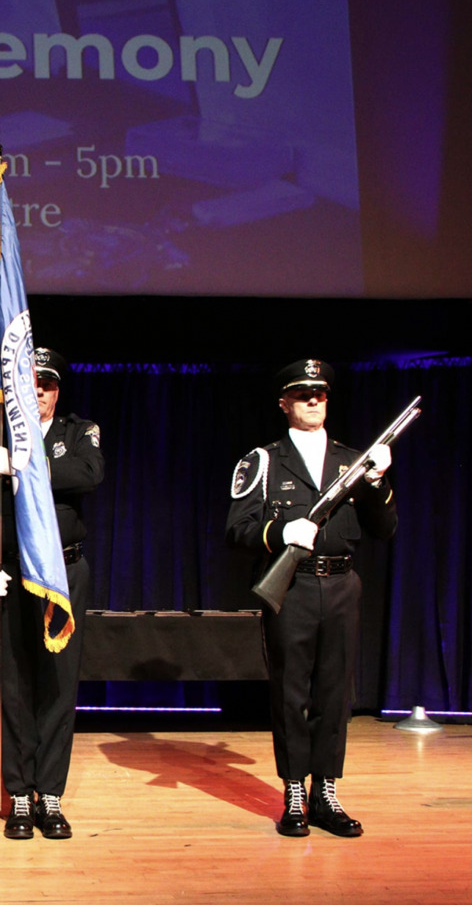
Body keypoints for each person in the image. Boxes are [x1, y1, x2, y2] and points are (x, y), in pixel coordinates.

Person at [226, 359, 396, 838]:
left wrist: (378, 482)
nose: (314, 400)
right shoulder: (263, 461)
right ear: (284, 403)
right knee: (290, 691)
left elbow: (385, 529)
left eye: (320, 392)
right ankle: (295, 791)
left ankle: (326, 791)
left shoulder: (353, 461)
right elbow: (236, 529)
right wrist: (280, 531)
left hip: (342, 584)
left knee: (335, 694)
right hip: (293, 587)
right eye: (302, 394)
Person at [0, 347, 103, 840]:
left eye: (47, 384)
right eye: (30, 383)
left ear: (58, 391)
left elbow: (90, 473)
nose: (38, 392)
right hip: (9, 576)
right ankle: (18, 795)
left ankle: (49, 793)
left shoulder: (78, 433)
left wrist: (23, 465)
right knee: (13, 688)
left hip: (62, 576)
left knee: (57, 685)